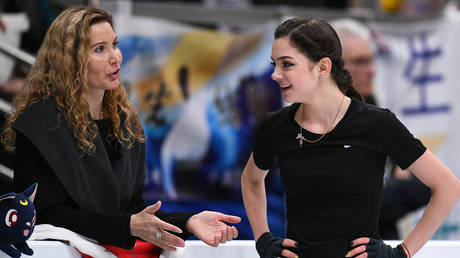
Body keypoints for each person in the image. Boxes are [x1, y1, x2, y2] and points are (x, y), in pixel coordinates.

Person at [2, 6, 240, 255]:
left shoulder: (125, 120)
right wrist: (127, 226)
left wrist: (188, 221)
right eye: (99, 49)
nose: (115, 56)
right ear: (69, 60)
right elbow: (45, 216)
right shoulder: (39, 124)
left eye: (114, 44)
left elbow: (132, 210)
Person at [241, 17, 460, 258]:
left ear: (323, 67)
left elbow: (447, 187)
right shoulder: (276, 126)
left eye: (287, 64)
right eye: (274, 64)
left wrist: (402, 253)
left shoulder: (376, 123)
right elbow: (251, 180)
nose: (275, 74)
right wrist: (262, 239)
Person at [331, 18, 432, 240]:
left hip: (385, 245)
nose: (372, 70)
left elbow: (426, 186)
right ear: (330, 66)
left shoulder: (380, 118)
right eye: (360, 61)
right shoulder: (308, 123)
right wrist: (396, 186)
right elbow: (341, 205)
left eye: (371, 60)